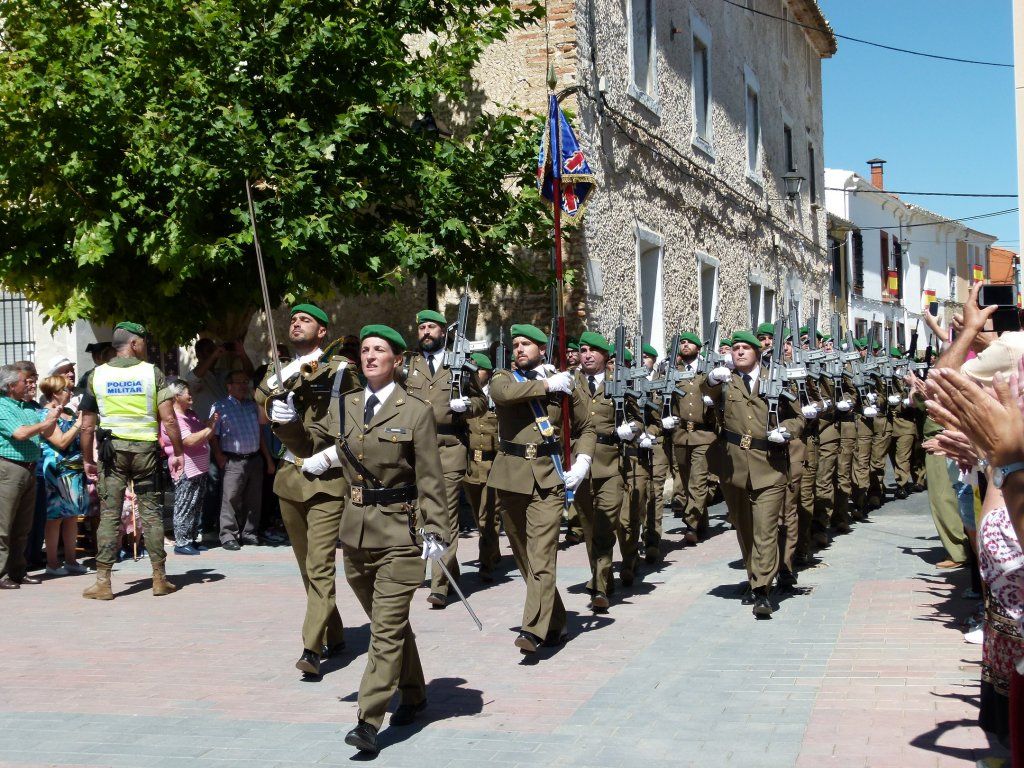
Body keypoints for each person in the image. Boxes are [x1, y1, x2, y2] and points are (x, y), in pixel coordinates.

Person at [270, 324, 447, 756]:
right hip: (355, 531)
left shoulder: (415, 411)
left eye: (379, 350)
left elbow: (430, 477)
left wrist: (438, 531)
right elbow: (314, 446)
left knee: (383, 629)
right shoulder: (346, 404)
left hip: (399, 530)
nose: (369, 356)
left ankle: (369, 720)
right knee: (390, 622)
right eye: (365, 349)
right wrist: (288, 426)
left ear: (397, 360)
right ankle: (415, 690)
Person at [259, 302, 360, 677]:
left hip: (326, 478)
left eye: (306, 320)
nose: (296, 323)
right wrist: (282, 378)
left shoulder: (339, 370)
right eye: (293, 320)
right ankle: (334, 632)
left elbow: (353, 421)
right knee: (305, 568)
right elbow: (261, 396)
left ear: (322, 331)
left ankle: (311, 647)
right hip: (290, 477)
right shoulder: (279, 371)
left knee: (320, 567)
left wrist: (334, 456)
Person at [487, 323, 595, 652]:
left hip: (548, 478)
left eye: (527, 344)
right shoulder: (502, 378)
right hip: (510, 478)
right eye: (516, 344)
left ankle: (533, 630)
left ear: (541, 349)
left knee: (542, 555)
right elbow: (503, 396)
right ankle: (557, 620)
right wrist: (547, 384)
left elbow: (586, 426)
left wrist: (583, 461)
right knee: (524, 557)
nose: (520, 349)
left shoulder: (568, 382)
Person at [79, 321, 185, 600]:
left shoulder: (96, 375)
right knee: (151, 514)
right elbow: (170, 418)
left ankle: (103, 582)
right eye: (144, 343)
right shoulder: (152, 373)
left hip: (112, 453)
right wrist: (178, 452)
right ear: (134, 343)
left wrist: (87, 459)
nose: (146, 348)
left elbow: (87, 425)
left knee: (110, 516)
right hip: (146, 453)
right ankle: (159, 579)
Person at [702, 330, 803, 618]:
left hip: (769, 465)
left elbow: (797, 416)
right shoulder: (725, 381)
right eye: (736, 349)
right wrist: (710, 380)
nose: (740, 352)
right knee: (744, 528)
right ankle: (753, 576)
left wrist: (788, 431)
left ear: (758, 352)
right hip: (734, 467)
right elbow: (701, 395)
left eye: (746, 348)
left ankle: (762, 590)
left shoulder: (777, 378)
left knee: (766, 530)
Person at [404, 308, 487, 608]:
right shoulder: (409, 364)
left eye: (432, 327)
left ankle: (439, 585)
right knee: (419, 512)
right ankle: (442, 570)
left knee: (447, 514)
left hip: (449, 446)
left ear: (443, 332)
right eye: (422, 327)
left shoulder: (461, 365)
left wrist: (467, 405)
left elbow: (482, 400)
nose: (426, 332)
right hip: (416, 448)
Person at [571, 331, 634, 611]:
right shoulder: (570, 383)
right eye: (583, 350)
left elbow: (639, 418)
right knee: (589, 527)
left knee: (606, 524)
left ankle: (599, 585)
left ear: (606, 356)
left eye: (593, 350)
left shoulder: (619, 384)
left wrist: (631, 429)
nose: (587, 355)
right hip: (579, 465)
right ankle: (602, 579)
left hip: (610, 464)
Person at [0, 362, 58, 589]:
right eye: (26, 381)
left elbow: (45, 432)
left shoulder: (27, 407)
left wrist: (53, 416)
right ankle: (2, 573)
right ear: (11, 385)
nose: (30, 385)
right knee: (4, 525)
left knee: (23, 526)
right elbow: (20, 433)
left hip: (29, 468)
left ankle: (18, 570)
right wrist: (45, 423)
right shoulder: (3, 406)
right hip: (9, 468)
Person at [210, 370, 275, 550]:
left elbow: (260, 433)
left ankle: (249, 533)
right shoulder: (219, 406)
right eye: (238, 382)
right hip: (233, 460)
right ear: (229, 386)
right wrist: (219, 456)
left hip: (254, 459)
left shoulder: (252, 406)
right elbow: (213, 435)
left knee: (254, 500)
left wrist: (268, 459)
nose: (243, 386)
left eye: (245, 382)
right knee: (230, 499)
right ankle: (228, 535)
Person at [665, 332, 718, 545]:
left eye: (689, 342)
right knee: (686, 484)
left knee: (698, 481)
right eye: (682, 343)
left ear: (698, 347)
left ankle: (691, 524)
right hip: (680, 435)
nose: (685, 345)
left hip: (704, 433)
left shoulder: (708, 372)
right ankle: (701, 522)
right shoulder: (674, 372)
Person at [37, 375, 89, 576]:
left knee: (72, 515)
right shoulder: (46, 414)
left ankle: (71, 559)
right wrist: (79, 424)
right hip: (56, 469)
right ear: (55, 393)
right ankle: (52, 562)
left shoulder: (68, 412)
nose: (71, 393)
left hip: (73, 469)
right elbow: (60, 442)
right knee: (55, 518)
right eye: (67, 390)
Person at [160, 380, 217, 556]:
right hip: (186, 467)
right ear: (177, 396)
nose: (191, 395)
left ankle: (191, 538)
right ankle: (182, 541)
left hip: (199, 467)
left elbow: (202, 434)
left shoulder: (190, 414)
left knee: (196, 504)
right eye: (187, 392)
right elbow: (189, 441)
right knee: (184, 504)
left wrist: (208, 425)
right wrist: (210, 427)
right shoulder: (173, 418)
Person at [463, 352, 501, 582]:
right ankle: (492, 550)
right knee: (479, 515)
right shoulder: (464, 398)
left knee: (489, 516)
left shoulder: (496, 396)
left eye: (479, 371)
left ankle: (485, 563)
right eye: (472, 371)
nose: (475, 376)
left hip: (492, 463)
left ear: (488, 373)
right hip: (469, 465)